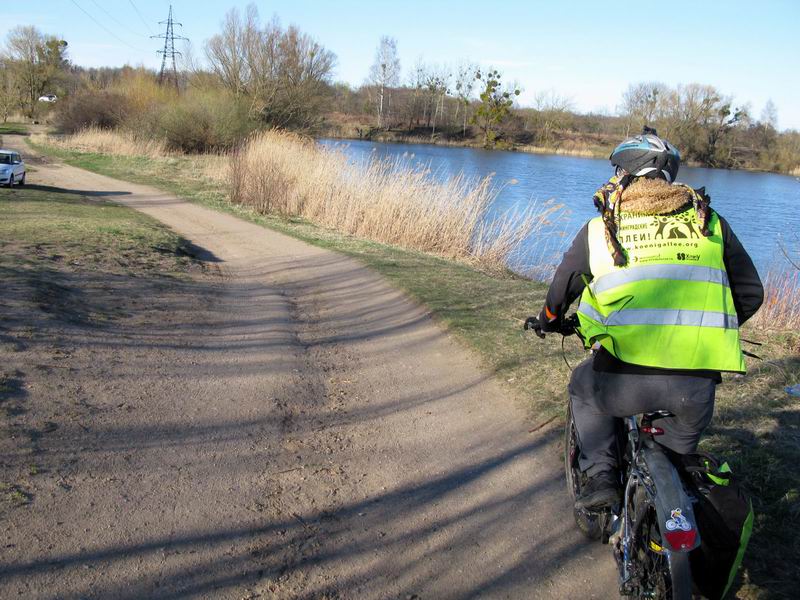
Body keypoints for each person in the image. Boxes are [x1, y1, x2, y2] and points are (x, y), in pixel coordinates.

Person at [531, 127, 763, 509]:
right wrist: (709, 326)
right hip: (695, 386)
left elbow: (562, 291)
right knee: (675, 468)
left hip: (621, 380)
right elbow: (751, 293)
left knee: (583, 389)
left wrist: (548, 320)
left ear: (622, 176)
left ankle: (602, 477)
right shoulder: (711, 224)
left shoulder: (601, 230)